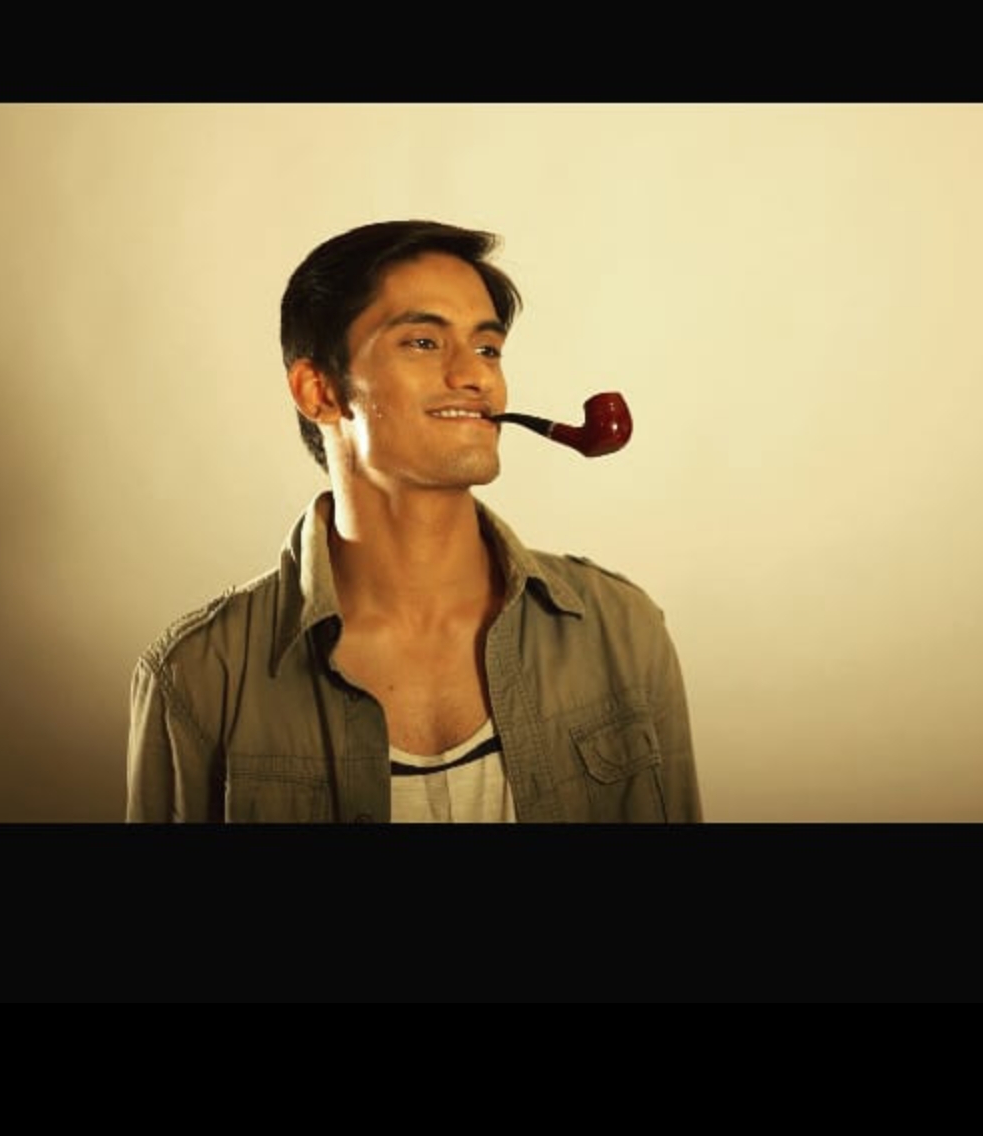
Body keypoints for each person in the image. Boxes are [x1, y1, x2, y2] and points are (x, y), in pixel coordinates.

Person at [126, 221, 702, 823]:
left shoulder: (623, 632)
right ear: (319, 391)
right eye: (424, 342)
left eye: (487, 349)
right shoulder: (198, 678)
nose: (477, 376)